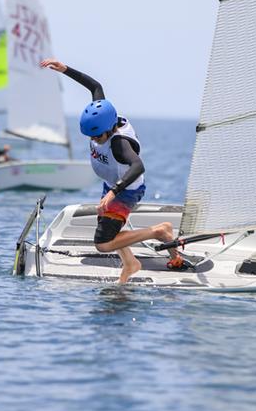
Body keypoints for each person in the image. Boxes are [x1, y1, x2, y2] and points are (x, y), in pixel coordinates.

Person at [40, 58, 183, 284]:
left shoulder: (119, 144)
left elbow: (138, 166)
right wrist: (64, 69)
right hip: (113, 184)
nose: (94, 140)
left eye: (97, 136)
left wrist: (113, 192)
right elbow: (95, 86)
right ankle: (133, 263)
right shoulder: (104, 113)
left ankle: (159, 231)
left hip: (126, 190)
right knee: (109, 230)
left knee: (103, 243)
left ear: (108, 128)